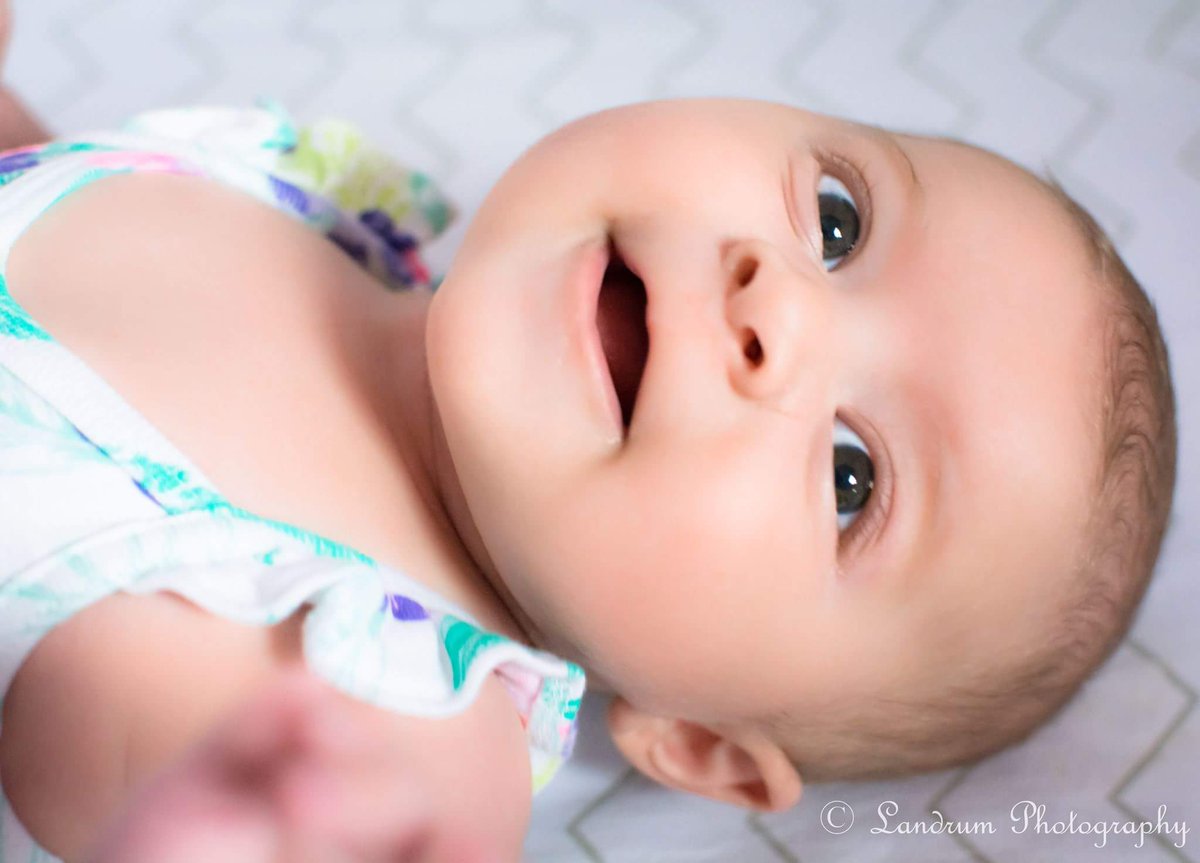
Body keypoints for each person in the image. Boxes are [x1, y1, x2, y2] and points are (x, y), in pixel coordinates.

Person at [0, 10, 1177, 863]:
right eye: (837, 220)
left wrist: (334, 814)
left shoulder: (395, 693)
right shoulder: (305, 197)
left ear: (704, 745)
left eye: (851, 477)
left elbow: (165, 759)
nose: (782, 304)